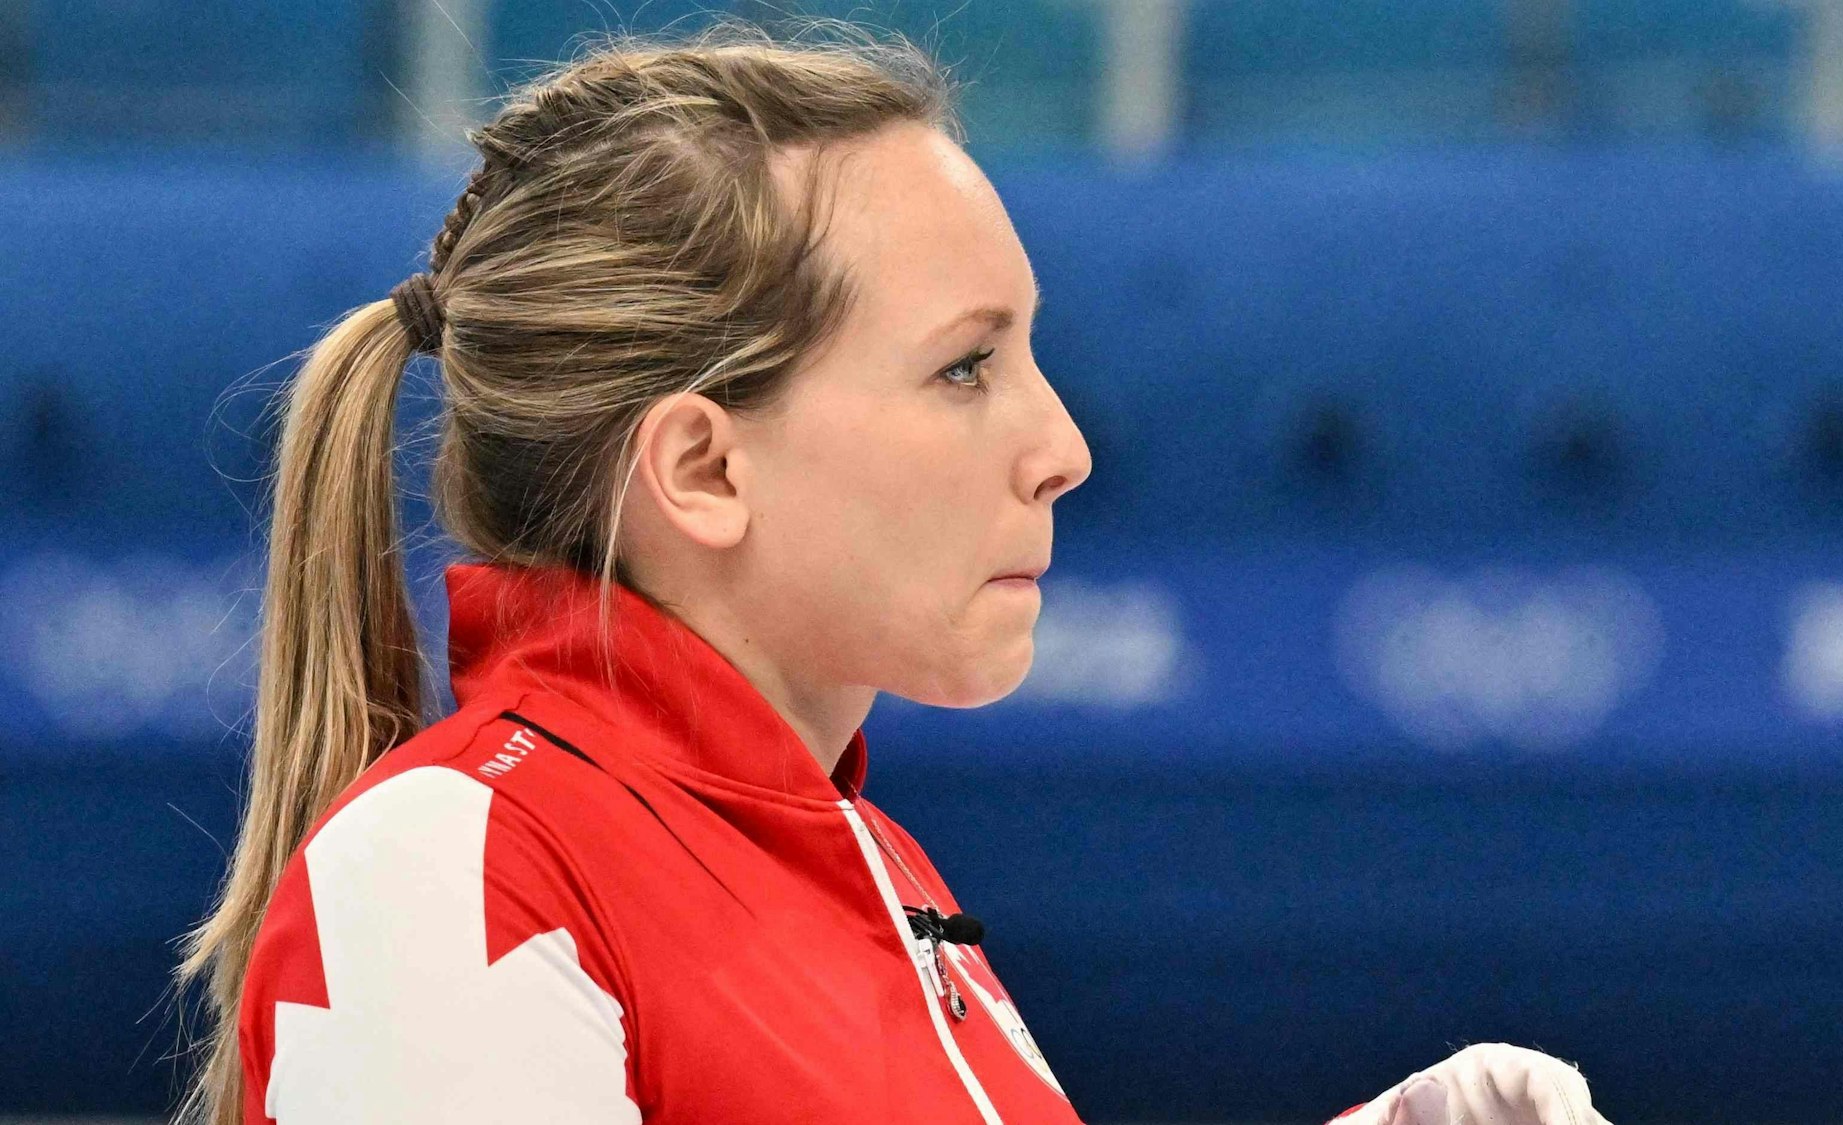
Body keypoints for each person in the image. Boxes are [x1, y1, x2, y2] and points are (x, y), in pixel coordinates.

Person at [170, 18, 1613, 1125]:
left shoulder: (873, 872)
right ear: (704, 467)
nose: (1063, 448)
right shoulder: (458, 869)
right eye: (966, 366)